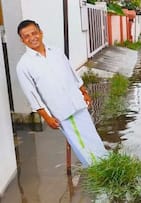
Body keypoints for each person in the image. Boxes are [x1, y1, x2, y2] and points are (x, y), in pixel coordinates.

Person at [16, 20, 108, 167]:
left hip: (77, 102)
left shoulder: (56, 52)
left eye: (34, 33)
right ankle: (98, 171)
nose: (32, 37)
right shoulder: (24, 65)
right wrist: (46, 117)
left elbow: (71, 73)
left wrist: (83, 92)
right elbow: (32, 95)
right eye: (26, 36)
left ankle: (107, 165)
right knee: (81, 143)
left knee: (92, 136)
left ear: (40, 33)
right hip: (62, 111)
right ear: (22, 40)